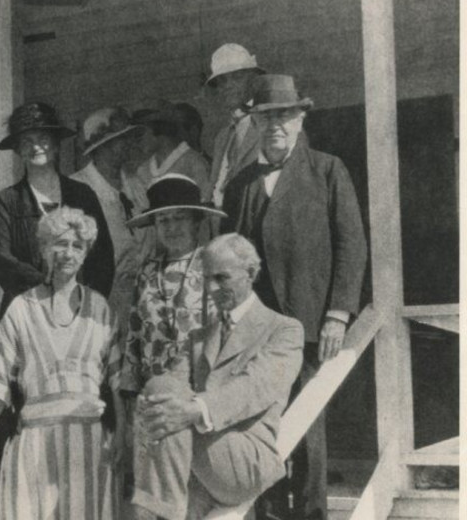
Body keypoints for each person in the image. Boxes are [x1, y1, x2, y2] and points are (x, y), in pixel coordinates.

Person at [221, 75, 368, 520]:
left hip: (308, 325)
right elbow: (229, 255)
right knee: (258, 428)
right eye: (266, 117)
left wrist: (338, 314)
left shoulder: (327, 170)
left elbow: (351, 244)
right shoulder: (240, 184)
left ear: (301, 118)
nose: (275, 126)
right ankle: (266, 512)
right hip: (255, 332)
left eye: (284, 115)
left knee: (307, 430)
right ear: (255, 123)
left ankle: (311, 513)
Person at [0, 207, 122, 520]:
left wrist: (122, 436)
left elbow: (117, 380)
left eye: (77, 246)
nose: (67, 253)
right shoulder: (21, 308)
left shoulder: (100, 309)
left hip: (88, 444)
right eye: (59, 244)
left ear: (86, 253)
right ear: (45, 249)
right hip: (34, 443)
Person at [139, 233, 304, 518]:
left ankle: (164, 510)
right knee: (159, 386)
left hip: (245, 459)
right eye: (206, 278)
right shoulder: (200, 337)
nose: (211, 288)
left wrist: (193, 410)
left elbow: (254, 387)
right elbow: (170, 390)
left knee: (164, 399)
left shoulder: (284, 329)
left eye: (222, 278)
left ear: (250, 273)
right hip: (197, 462)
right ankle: (171, 506)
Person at [119, 173, 225, 520]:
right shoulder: (147, 272)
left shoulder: (215, 268)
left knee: (196, 496)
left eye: (180, 217)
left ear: (197, 220)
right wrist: (131, 403)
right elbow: (134, 338)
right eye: (163, 219)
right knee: (155, 498)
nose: (172, 226)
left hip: (198, 402)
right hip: (153, 404)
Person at [0, 102, 115, 313]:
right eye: (27, 141)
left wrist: (87, 304)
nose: (36, 147)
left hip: (77, 311)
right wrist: (49, 289)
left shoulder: (82, 195)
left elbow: (103, 257)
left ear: (56, 145)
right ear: (18, 150)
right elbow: (2, 261)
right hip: (26, 312)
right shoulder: (7, 200)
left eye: (43, 139)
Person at [72, 106, 151, 334]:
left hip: (141, 295)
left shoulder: (137, 186)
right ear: (101, 147)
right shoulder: (77, 189)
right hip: (99, 298)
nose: (128, 144)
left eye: (129, 137)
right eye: (121, 139)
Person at [205, 43, 265, 209]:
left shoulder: (273, 124)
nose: (228, 86)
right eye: (222, 81)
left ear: (253, 79)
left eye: (237, 77)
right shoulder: (222, 137)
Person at [136, 103, 213, 201]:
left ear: (160, 131)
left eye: (140, 135)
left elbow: (205, 202)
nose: (137, 141)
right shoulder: (143, 170)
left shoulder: (194, 163)